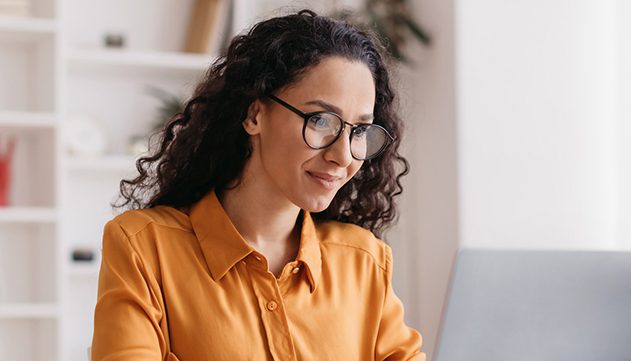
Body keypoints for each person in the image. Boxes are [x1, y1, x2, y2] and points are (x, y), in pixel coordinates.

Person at [90, 9, 424, 361]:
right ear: (254, 115)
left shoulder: (364, 261)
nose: (343, 156)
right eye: (322, 120)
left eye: (359, 130)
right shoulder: (144, 248)